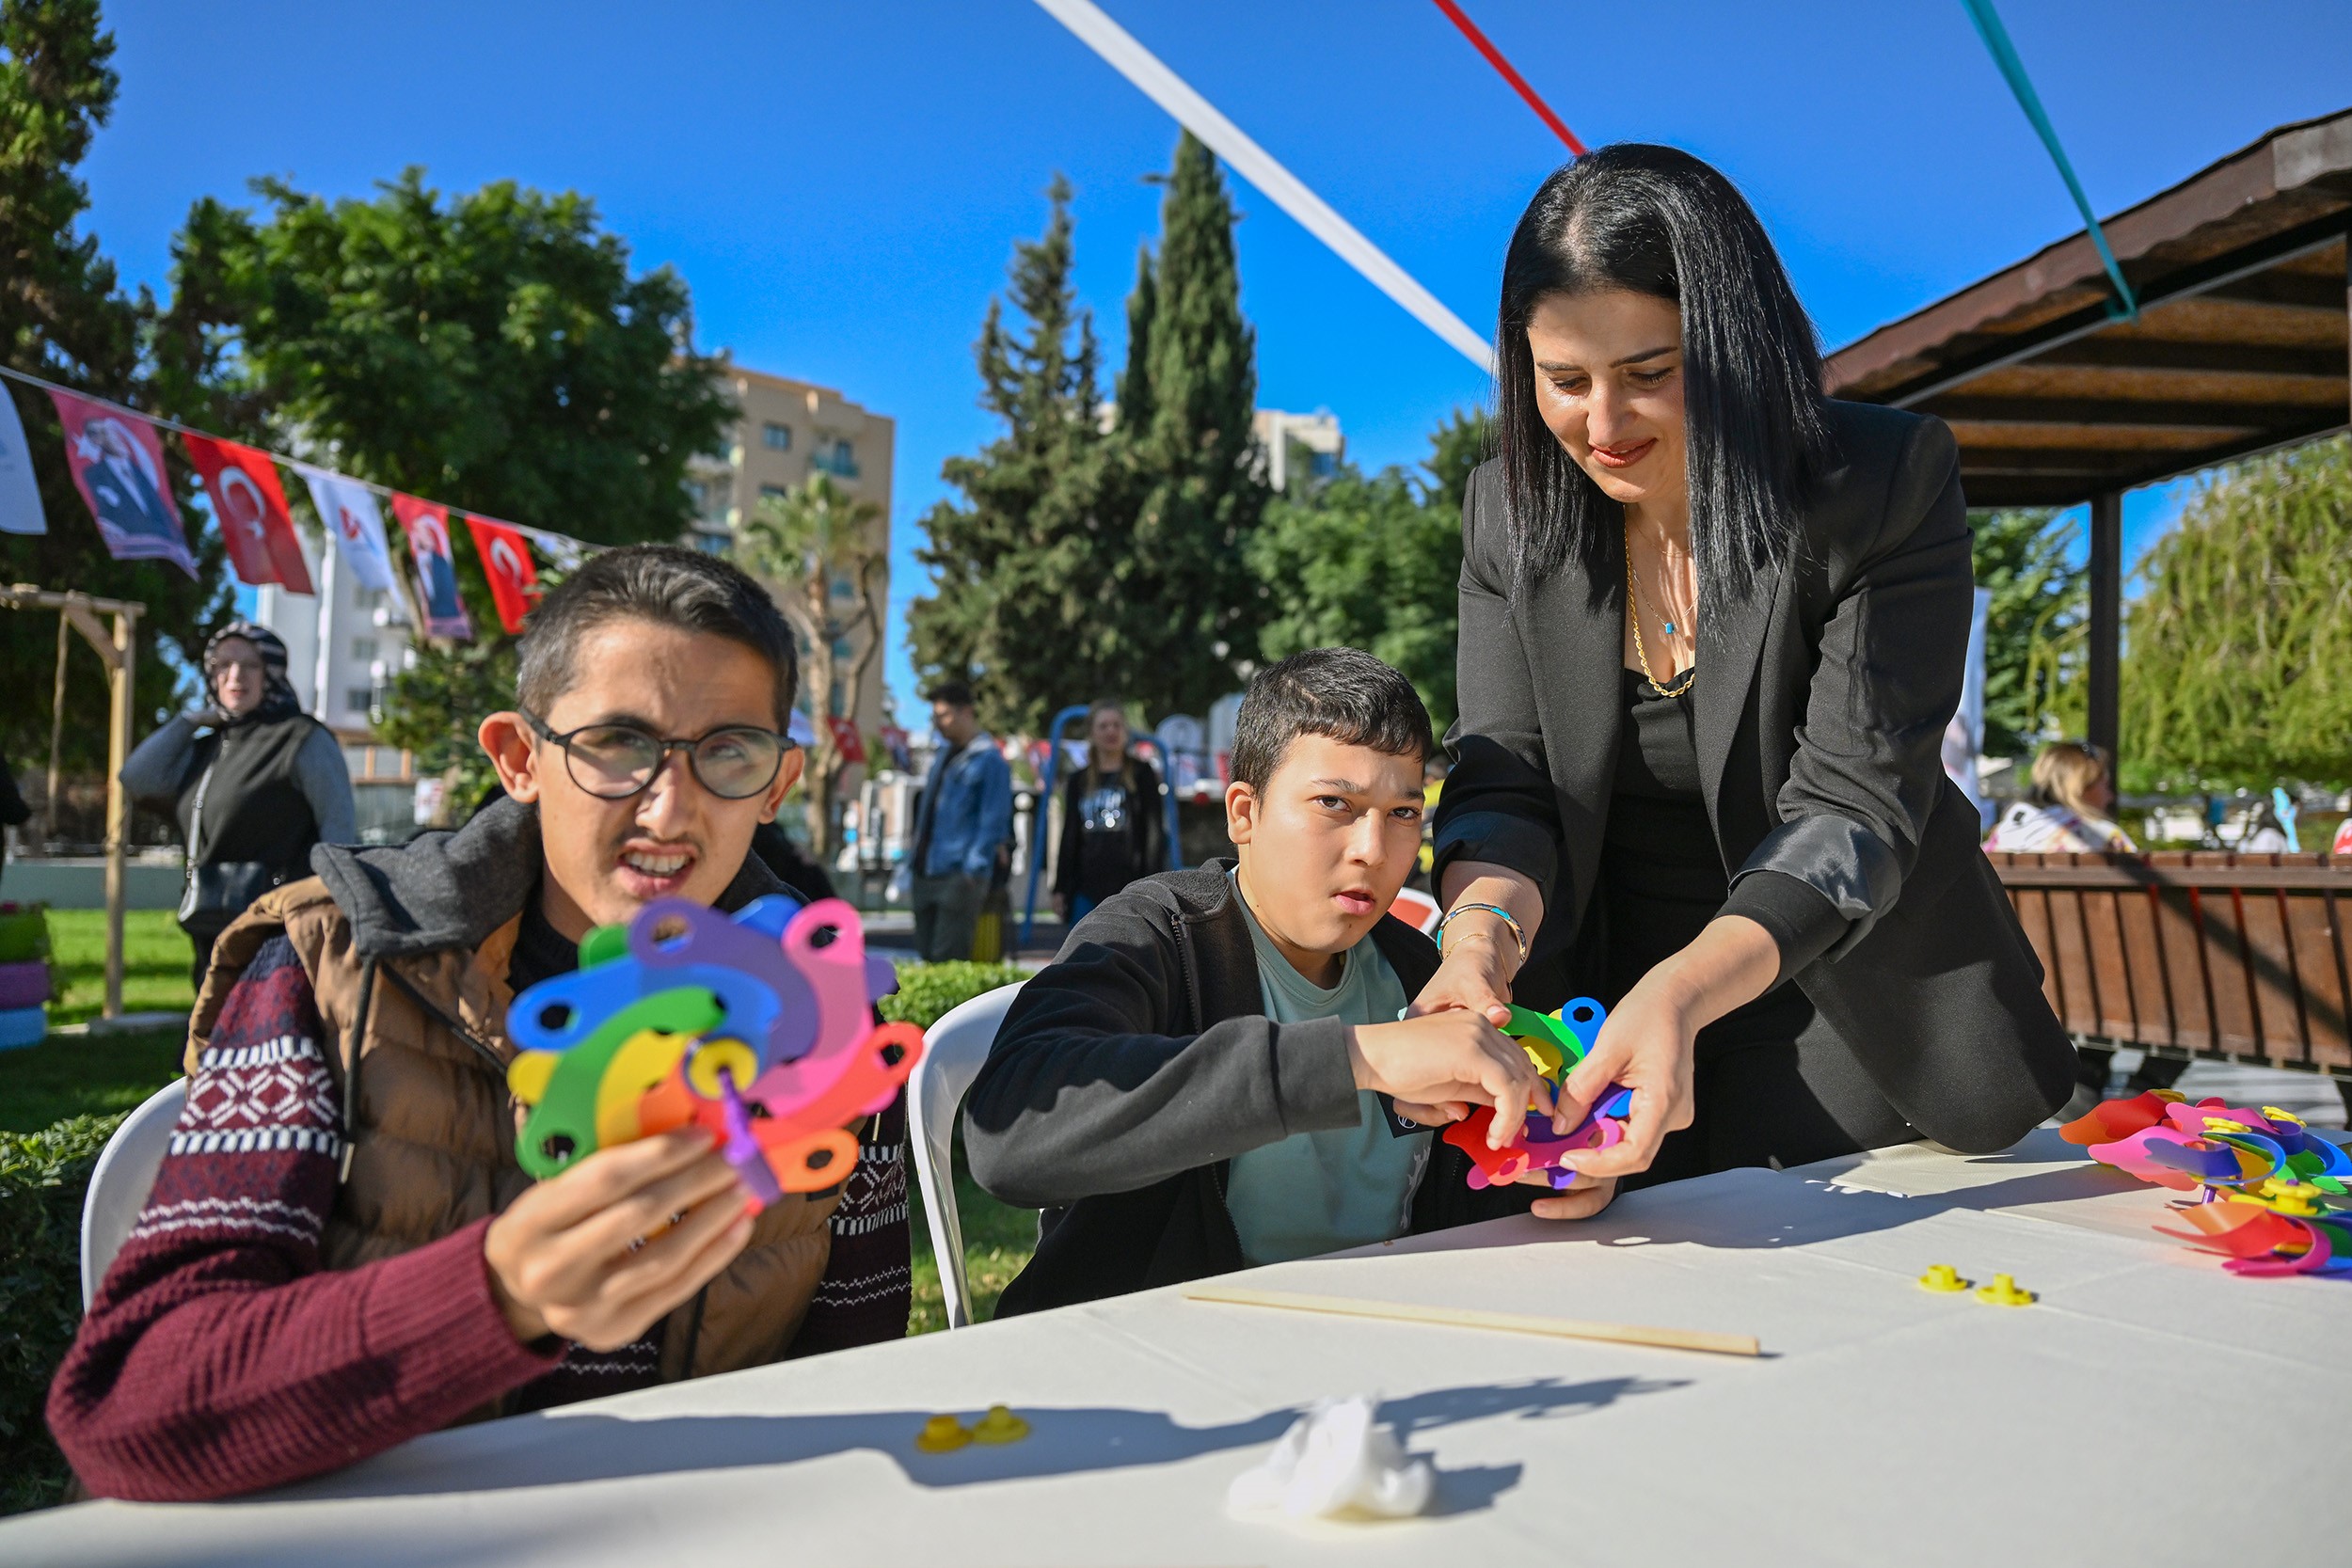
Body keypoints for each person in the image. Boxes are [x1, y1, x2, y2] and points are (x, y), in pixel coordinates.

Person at [50, 546, 910, 1501]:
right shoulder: (333, 969)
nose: (670, 807)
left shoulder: (828, 1013)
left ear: (778, 781)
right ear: (519, 757)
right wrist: (496, 1291)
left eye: (728, 752)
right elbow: (132, 1398)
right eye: (619, 744)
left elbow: (856, 1357)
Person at [1423, 145, 2074, 1203]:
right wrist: (1479, 936)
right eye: (1563, 380)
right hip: (1595, 983)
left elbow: (1854, 807)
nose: (1601, 426)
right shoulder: (1504, 508)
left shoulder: (1883, 484)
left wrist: (1681, 992)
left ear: (1738, 347)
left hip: (1840, 986)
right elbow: (1507, 779)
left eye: (1647, 373)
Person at [965, 648, 1555, 1315]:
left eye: (1403, 812)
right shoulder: (1159, 934)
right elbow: (1009, 1130)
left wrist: (1557, 1170)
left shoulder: (1424, 975)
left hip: (1383, 1358)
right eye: (1335, 802)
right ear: (1243, 812)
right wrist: (1357, 1058)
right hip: (1153, 1371)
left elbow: (1476, 1199)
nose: (1373, 847)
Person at [120, 623, 357, 989]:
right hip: (211, 921)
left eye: (250, 665)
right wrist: (187, 721)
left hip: (281, 930)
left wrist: (336, 916)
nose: (234, 676)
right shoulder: (208, 747)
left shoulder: (301, 738)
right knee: (212, 1034)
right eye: (221, 664)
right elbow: (137, 779)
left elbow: (339, 833)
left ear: (273, 672)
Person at [908, 679, 1012, 962]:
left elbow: (994, 819)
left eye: (944, 715)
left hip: (959, 875)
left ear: (966, 712)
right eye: (935, 717)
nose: (938, 724)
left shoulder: (990, 760)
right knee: (927, 959)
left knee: (947, 959)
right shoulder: (942, 756)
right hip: (925, 870)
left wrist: (972, 871)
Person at [1052, 699, 1167, 924]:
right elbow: (1070, 834)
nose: (1110, 731)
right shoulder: (1079, 780)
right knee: (1084, 949)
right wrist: (1060, 887)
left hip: (1130, 883)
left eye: (1116, 725)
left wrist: (1153, 882)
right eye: (1103, 726)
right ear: (1092, 733)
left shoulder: (1141, 774)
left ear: (1125, 730)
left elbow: (1153, 831)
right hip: (1086, 883)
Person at [1984, 741, 2139, 853]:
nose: (2110, 797)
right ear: (2081, 788)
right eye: (2105, 785)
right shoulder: (2105, 837)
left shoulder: (2002, 838)